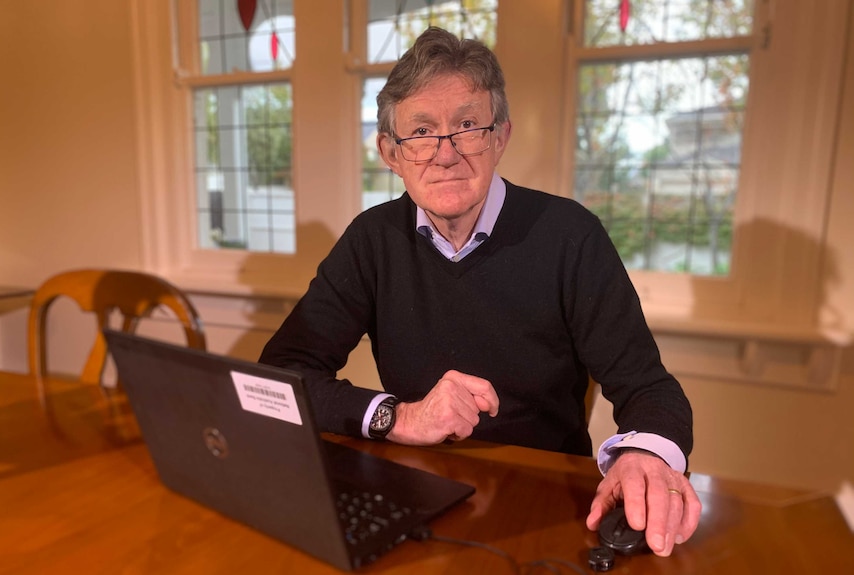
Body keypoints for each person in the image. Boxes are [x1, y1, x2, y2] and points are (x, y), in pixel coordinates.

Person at [259, 26, 701, 557]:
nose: (445, 154)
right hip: (416, 492)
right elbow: (279, 377)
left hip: (545, 498)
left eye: (467, 125)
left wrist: (644, 456)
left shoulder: (570, 234)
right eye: (420, 132)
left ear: (500, 136)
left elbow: (650, 389)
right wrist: (400, 417)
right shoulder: (372, 239)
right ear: (390, 153)